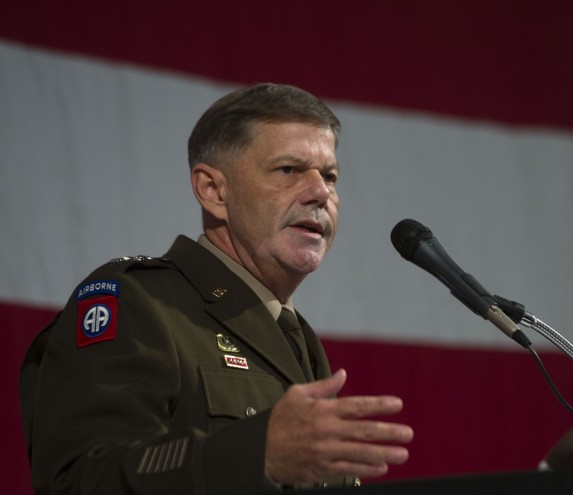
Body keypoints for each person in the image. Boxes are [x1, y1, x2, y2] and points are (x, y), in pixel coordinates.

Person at [20, 83, 413, 495]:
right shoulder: (140, 302)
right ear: (213, 190)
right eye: (289, 170)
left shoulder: (297, 338)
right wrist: (254, 455)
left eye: (329, 176)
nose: (320, 193)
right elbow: (82, 478)